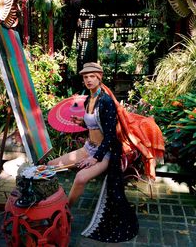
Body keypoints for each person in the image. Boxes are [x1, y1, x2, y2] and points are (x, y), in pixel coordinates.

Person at [48, 62, 139, 243]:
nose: (88, 80)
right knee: (51, 166)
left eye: (92, 76)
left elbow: (111, 135)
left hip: (106, 152)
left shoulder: (106, 101)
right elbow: (96, 124)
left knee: (81, 177)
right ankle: (52, 203)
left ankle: (64, 212)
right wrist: (81, 122)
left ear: (99, 77)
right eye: (85, 77)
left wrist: (94, 158)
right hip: (88, 147)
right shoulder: (89, 99)